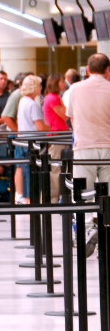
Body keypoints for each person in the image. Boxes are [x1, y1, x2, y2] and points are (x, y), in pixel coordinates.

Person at [67, 53, 110, 255]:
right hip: (109, 147)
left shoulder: (75, 88)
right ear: (108, 70)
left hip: (84, 147)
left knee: (82, 193)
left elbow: (72, 118)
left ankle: (85, 231)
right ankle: (106, 232)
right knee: (108, 195)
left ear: (88, 69)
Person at [15, 75, 49, 204]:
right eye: (39, 85)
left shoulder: (22, 101)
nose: (41, 88)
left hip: (22, 139)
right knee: (33, 171)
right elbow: (40, 127)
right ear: (34, 87)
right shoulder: (33, 105)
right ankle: (31, 199)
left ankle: (24, 197)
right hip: (32, 142)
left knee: (24, 169)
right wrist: (50, 126)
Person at [42, 73, 70, 203]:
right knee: (56, 168)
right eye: (62, 81)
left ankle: (56, 197)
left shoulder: (53, 97)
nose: (64, 84)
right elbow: (65, 115)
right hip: (57, 136)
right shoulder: (53, 98)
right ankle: (53, 199)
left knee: (58, 167)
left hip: (59, 135)